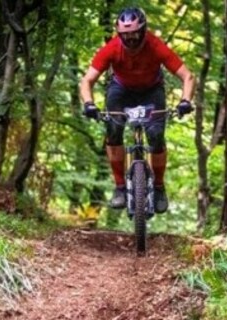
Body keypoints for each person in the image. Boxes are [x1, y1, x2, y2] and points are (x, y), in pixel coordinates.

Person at [79, 7, 195, 213]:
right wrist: (89, 104)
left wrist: (185, 101)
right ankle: (120, 188)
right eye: (125, 35)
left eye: (134, 34)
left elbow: (187, 76)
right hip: (121, 90)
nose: (130, 39)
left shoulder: (155, 46)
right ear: (119, 34)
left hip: (152, 90)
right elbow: (87, 80)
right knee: (113, 132)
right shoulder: (112, 48)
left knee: (156, 135)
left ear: (143, 31)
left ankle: (158, 188)